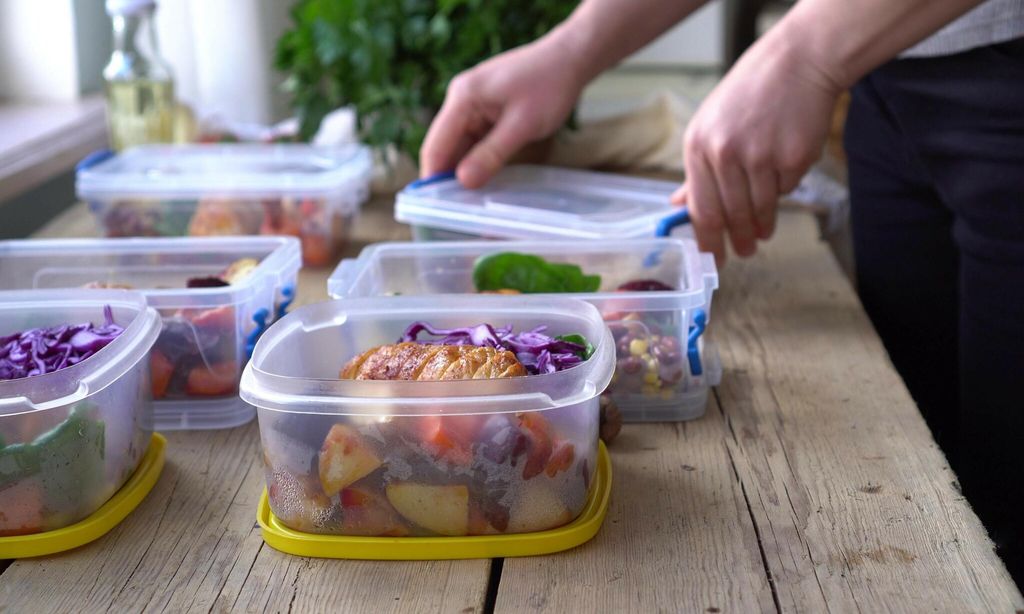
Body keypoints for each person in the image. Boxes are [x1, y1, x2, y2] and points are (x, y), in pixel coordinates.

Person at [419, 0, 1024, 581]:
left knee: (1007, 493)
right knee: (933, 463)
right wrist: (571, 52)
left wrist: (804, 52)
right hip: (885, 68)